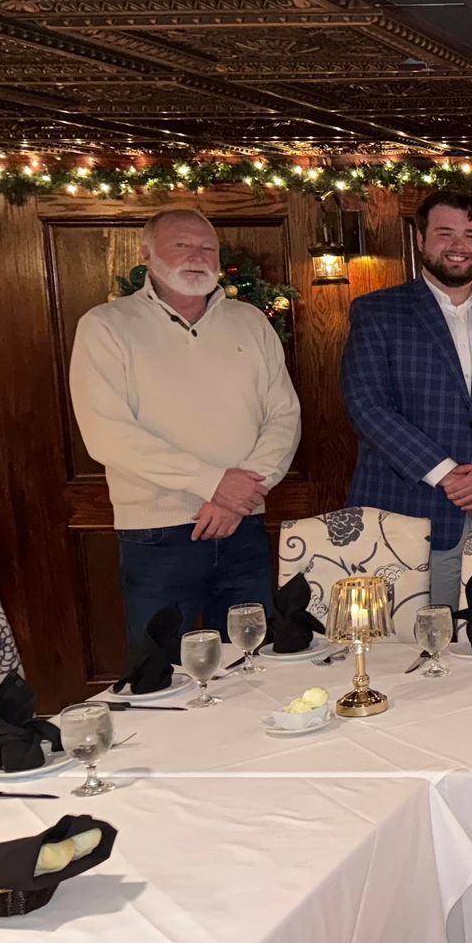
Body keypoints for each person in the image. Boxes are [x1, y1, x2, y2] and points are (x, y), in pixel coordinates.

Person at [70, 208, 300, 647]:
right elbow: (106, 432)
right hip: (157, 534)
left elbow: (284, 416)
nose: (196, 256)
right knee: (161, 668)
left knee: (253, 662)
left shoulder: (250, 321)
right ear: (147, 254)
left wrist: (240, 496)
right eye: (181, 245)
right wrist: (212, 483)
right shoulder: (106, 325)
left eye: (207, 247)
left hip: (243, 525)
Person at [342, 190, 472, 609]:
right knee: (413, 643)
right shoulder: (377, 312)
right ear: (421, 240)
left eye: (470, 235)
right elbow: (367, 406)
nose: (459, 245)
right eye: (445, 233)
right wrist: (449, 476)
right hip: (409, 516)